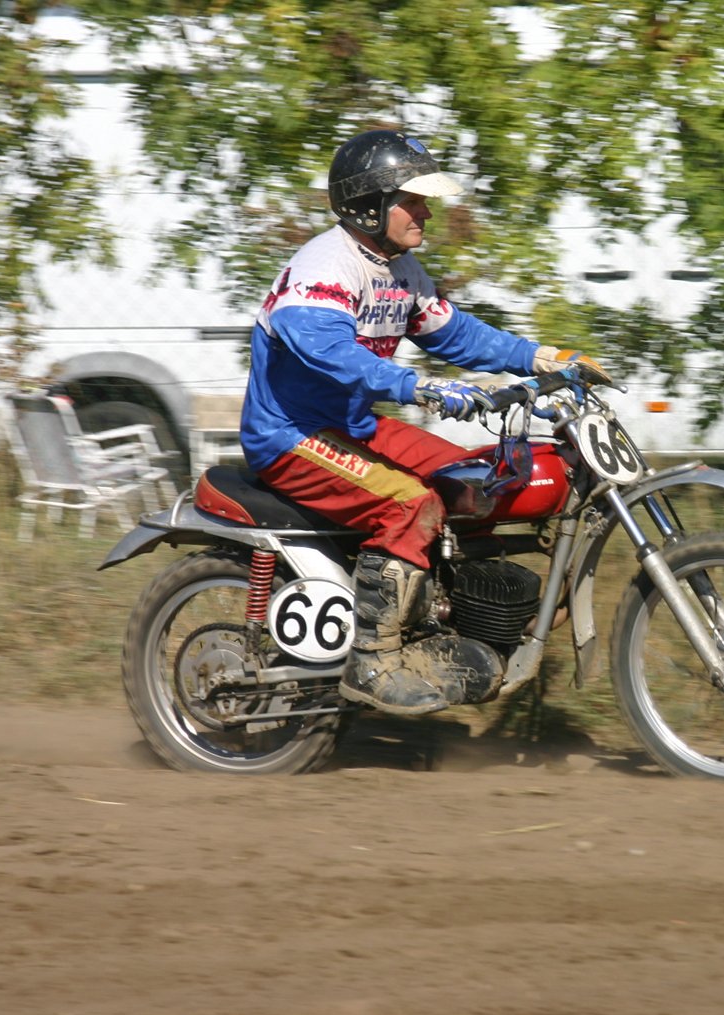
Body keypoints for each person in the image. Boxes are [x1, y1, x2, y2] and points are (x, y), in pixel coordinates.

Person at [237, 128, 609, 716]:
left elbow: (456, 334)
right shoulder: (324, 268)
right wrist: (421, 387)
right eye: (413, 201)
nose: (427, 212)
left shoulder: (399, 269)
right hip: (291, 435)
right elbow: (332, 354)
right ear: (370, 205)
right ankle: (372, 662)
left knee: (476, 482)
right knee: (411, 504)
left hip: (353, 426)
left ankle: (447, 624)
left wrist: (544, 358)